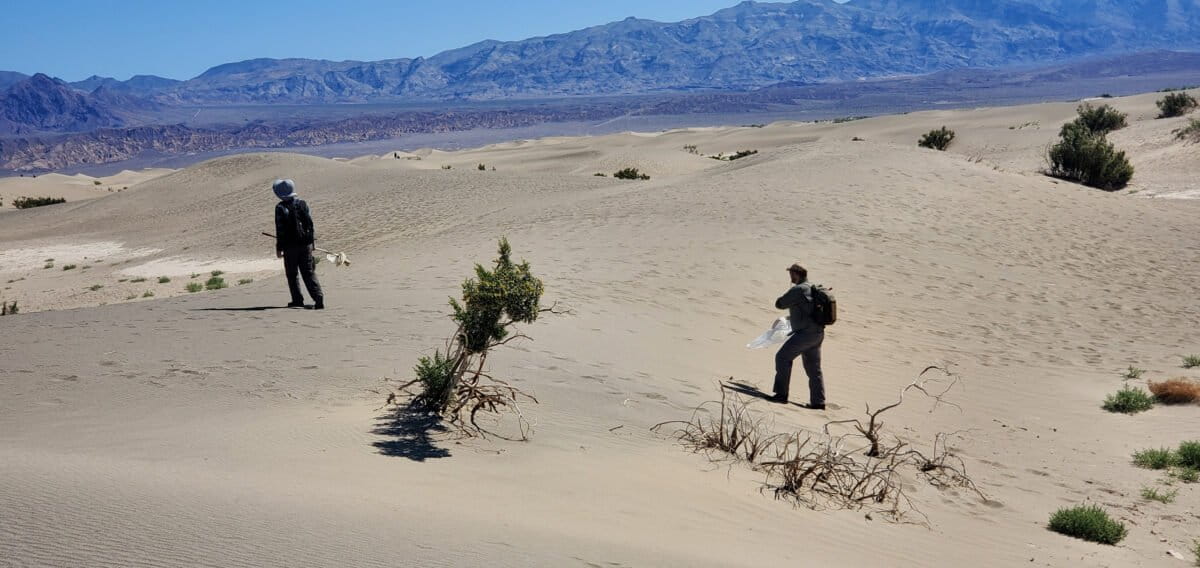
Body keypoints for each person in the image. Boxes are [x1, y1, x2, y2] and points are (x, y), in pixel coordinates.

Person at [770, 263, 824, 409]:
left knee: (782, 357)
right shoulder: (813, 287)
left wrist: (788, 298)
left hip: (805, 334)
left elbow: (780, 304)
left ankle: (781, 395)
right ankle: (818, 402)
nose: (790, 277)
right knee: (814, 368)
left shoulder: (798, 289)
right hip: (818, 333)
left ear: (796, 274)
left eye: (791, 275)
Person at [273, 179, 324, 310]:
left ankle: (297, 300)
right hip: (305, 243)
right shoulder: (302, 204)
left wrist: (279, 248)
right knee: (308, 272)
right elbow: (310, 224)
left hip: (290, 246)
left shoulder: (280, 208)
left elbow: (280, 230)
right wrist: (311, 242)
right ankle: (318, 298)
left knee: (292, 273)